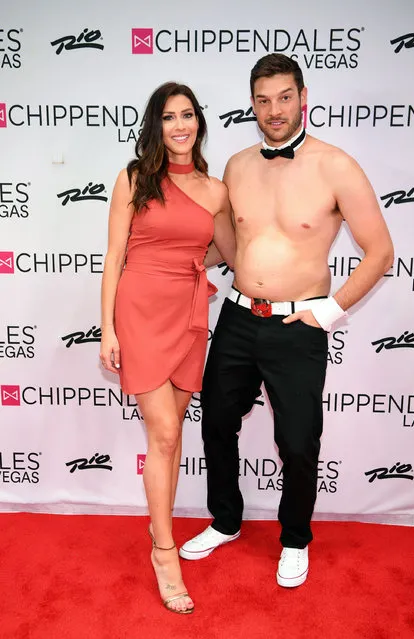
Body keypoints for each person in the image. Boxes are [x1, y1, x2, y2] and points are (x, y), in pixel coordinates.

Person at [179, 54, 394, 587]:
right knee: (216, 423)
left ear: (303, 96)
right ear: (252, 103)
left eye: (284, 97)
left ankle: (295, 537)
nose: (274, 110)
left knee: (298, 441)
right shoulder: (236, 165)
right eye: (263, 99)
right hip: (236, 316)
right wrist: (166, 265)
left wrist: (331, 309)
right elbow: (224, 246)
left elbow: (380, 251)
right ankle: (226, 520)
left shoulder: (336, 165)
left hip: (299, 325)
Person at [99, 82, 236, 613]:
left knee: (170, 437)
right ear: (156, 124)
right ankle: (164, 552)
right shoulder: (134, 178)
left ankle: (161, 536)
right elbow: (113, 257)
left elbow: (231, 252)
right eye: (169, 117)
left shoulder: (216, 189)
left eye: (188, 115)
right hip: (139, 310)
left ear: (199, 122)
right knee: (164, 432)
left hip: (189, 315)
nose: (180, 126)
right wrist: (107, 328)